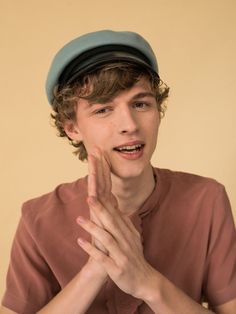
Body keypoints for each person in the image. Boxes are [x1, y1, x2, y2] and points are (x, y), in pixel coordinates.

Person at [1, 30, 236, 314]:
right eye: (103, 110)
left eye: (140, 104)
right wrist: (96, 269)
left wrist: (146, 281)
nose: (129, 124)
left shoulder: (207, 199)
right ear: (72, 128)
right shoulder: (37, 219)